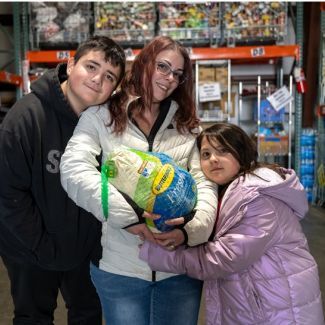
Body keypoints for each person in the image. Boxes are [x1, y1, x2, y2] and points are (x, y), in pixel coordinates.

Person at [60, 35, 218, 325]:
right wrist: (128, 216)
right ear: (145, 63)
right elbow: (73, 169)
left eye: (177, 74)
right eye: (162, 66)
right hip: (121, 270)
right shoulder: (101, 116)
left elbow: (205, 183)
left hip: (179, 270)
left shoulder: (187, 126)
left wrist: (190, 231)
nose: (169, 78)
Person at [140, 122, 325, 325]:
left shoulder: (257, 198)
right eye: (206, 154)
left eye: (223, 151)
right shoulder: (226, 192)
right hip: (258, 303)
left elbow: (224, 258)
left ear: (242, 152)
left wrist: (158, 253)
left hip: (277, 308)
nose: (213, 159)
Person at [0, 36, 126, 324]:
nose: (97, 79)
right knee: (33, 317)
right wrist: (44, 248)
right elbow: (8, 195)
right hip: (30, 249)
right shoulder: (25, 118)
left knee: (88, 315)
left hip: (84, 249)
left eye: (108, 77)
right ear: (70, 65)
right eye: (91, 66)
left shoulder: (105, 125)